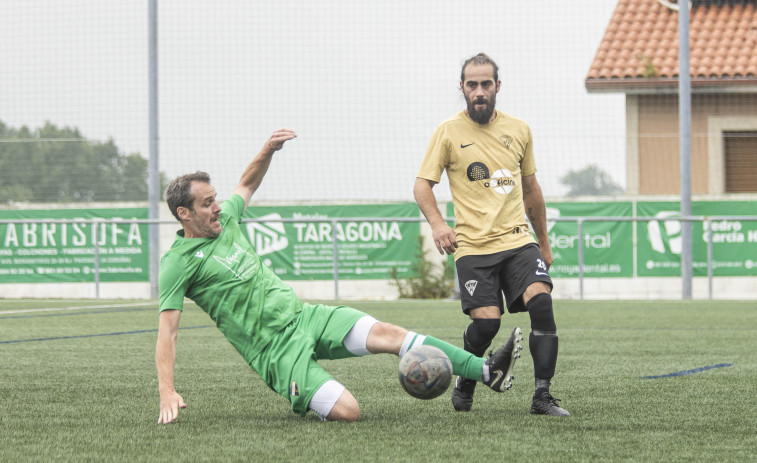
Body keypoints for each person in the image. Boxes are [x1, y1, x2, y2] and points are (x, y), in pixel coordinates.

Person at [155, 129, 524, 423]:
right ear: (184, 214)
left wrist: (267, 150)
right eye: (207, 204)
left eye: (215, 199)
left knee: (390, 334)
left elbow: (247, 184)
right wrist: (167, 391)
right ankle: (303, 388)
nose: (218, 207)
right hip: (274, 351)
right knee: (349, 411)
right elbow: (168, 332)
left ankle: (486, 370)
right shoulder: (178, 262)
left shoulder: (227, 219)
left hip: (305, 316)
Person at [414, 53, 570, 416]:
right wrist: (439, 225)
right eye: (472, 85)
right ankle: (467, 378)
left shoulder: (519, 129)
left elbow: (532, 190)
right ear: (462, 88)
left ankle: (542, 397)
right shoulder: (447, 132)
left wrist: (544, 245)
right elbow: (422, 186)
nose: (479, 91)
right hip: (472, 246)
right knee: (487, 324)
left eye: (486, 84)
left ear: (497, 87)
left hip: (517, 240)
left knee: (542, 304)